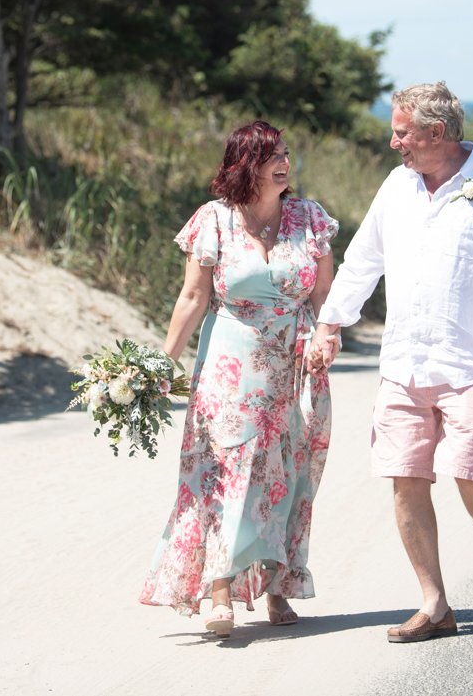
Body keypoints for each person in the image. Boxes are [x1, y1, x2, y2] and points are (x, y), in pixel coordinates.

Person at [306, 81, 473, 644]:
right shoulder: (397, 186)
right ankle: (435, 605)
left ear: (438, 133)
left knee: (470, 471)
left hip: (472, 361)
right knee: (406, 479)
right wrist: (331, 322)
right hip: (403, 362)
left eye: (402, 132)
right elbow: (363, 258)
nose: (393, 143)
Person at [140, 120, 339, 638]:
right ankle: (219, 586)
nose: (285, 163)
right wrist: (165, 362)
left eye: (287, 154)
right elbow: (192, 298)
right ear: (243, 164)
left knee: (290, 471)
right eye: (272, 155)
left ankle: (278, 582)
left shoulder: (309, 218)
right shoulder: (215, 220)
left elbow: (326, 299)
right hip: (232, 358)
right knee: (227, 468)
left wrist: (325, 337)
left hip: (296, 362)